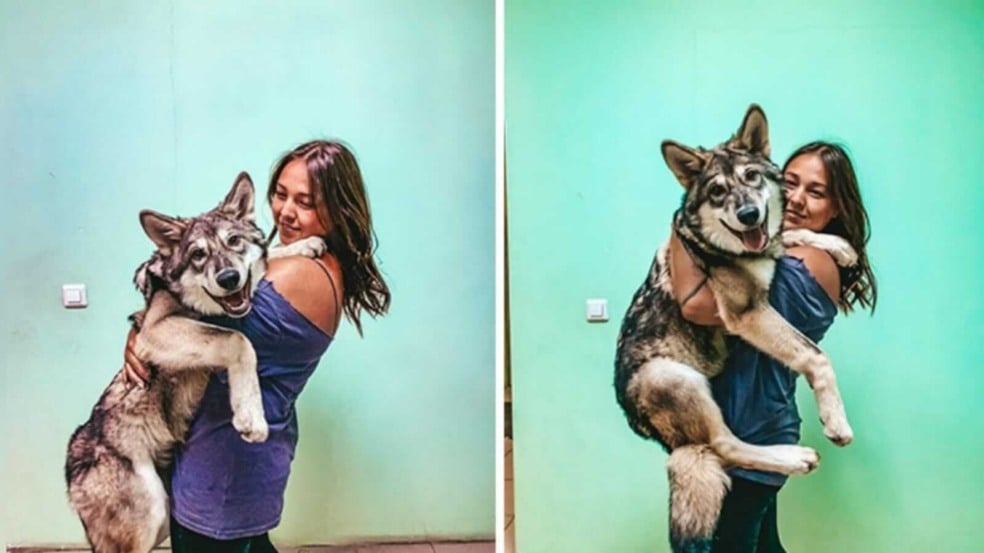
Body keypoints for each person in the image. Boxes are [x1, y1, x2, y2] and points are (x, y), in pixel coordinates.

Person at [123, 140, 391, 553]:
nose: (285, 211)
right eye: (281, 194)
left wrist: (145, 331)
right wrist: (147, 331)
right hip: (235, 461)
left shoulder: (300, 276)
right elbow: (251, 269)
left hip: (225, 471)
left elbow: (185, 326)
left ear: (338, 209)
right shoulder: (300, 260)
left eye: (306, 202)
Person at [668, 142, 877, 553]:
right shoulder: (769, 246)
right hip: (745, 428)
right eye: (790, 182)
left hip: (753, 433)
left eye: (815, 192)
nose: (797, 198)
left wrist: (682, 224)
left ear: (836, 208)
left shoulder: (812, 263)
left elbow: (696, 305)